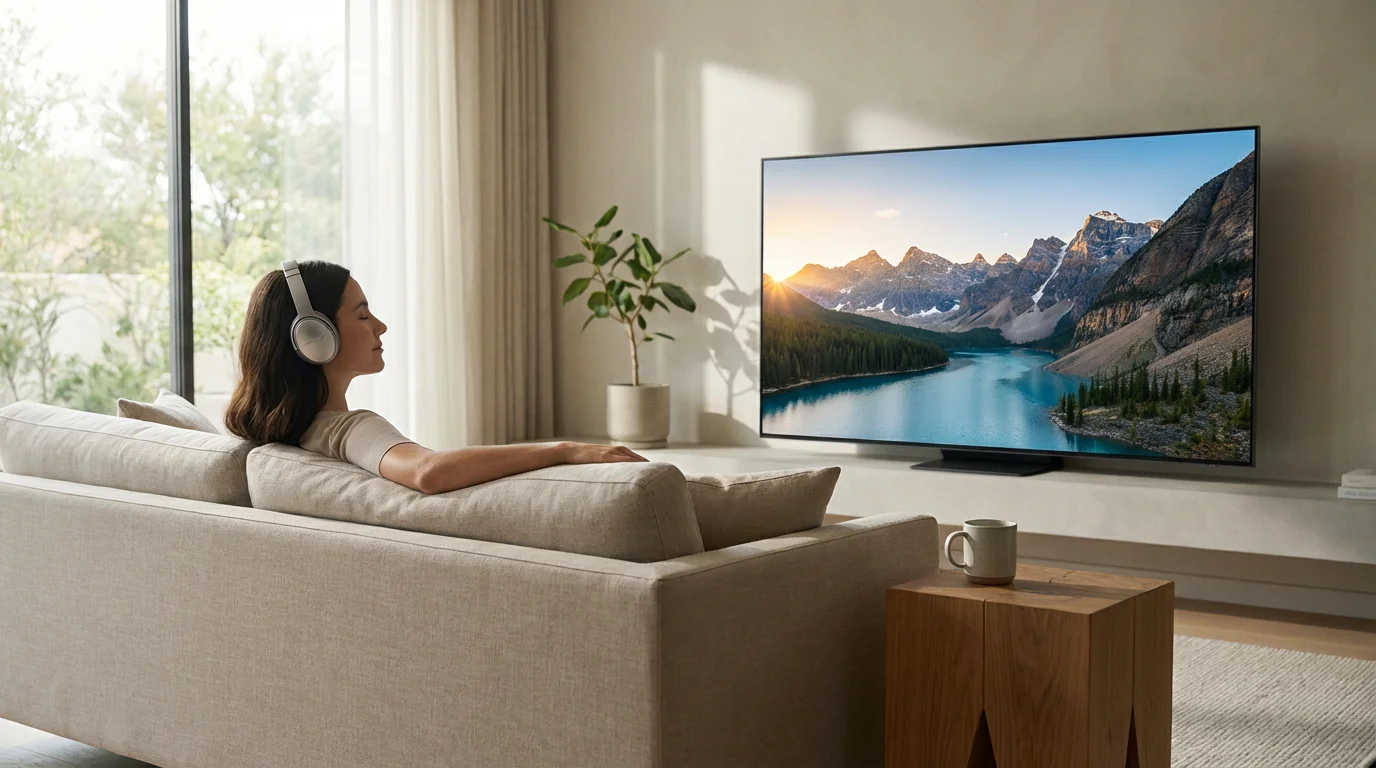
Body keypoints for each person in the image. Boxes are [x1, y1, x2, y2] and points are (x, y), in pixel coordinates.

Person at [223, 260, 646, 493]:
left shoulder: (273, 436)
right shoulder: (349, 431)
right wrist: (564, 451)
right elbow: (428, 471)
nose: (381, 327)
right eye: (363, 314)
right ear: (314, 338)